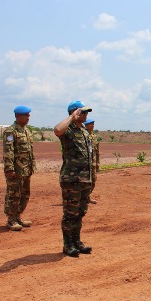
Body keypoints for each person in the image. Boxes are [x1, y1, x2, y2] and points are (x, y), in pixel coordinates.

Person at [54, 100, 94, 257]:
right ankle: (68, 244)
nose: (86, 115)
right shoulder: (68, 130)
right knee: (70, 213)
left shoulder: (84, 132)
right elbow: (57, 130)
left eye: (86, 112)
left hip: (85, 179)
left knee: (80, 212)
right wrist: (71, 117)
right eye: (83, 112)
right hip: (71, 180)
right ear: (74, 112)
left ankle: (77, 241)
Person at [3, 105, 36, 231]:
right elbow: (8, 151)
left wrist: (32, 166)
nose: (28, 117)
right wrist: (9, 168)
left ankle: (18, 217)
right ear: (17, 116)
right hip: (15, 170)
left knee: (24, 194)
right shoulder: (10, 131)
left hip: (26, 169)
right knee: (14, 194)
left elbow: (30, 151)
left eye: (28, 115)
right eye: (26, 115)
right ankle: (11, 219)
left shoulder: (27, 131)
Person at [84, 119, 100, 204]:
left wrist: (98, 163)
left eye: (93, 124)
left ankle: (87, 197)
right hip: (85, 164)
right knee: (84, 182)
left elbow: (97, 151)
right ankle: (83, 198)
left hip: (93, 164)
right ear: (85, 125)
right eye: (91, 124)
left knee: (93, 181)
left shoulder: (94, 137)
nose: (93, 126)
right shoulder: (83, 136)